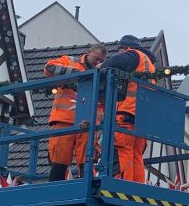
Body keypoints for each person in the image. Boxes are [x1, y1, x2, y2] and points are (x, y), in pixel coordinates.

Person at [98, 35, 158, 183]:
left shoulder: (133, 55)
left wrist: (100, 67)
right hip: (142, 118)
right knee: (135, 155)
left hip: (127, 114)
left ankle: (121, 185)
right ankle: (136, 187)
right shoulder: (149, 64)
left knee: (121, 152)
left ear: (124, 48)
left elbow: (111, 63)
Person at [43, 43, 107, 181]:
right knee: (59, 161)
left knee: (87, 161)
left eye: (101, 61)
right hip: (64, 120)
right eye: (96, 59)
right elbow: (48, 68)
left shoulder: (102, 73)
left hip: (88, 124)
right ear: (88, 53)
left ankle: (85, 188)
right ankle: (53, 191)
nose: (98, 62)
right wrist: (75, 74)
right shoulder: (70, 61)